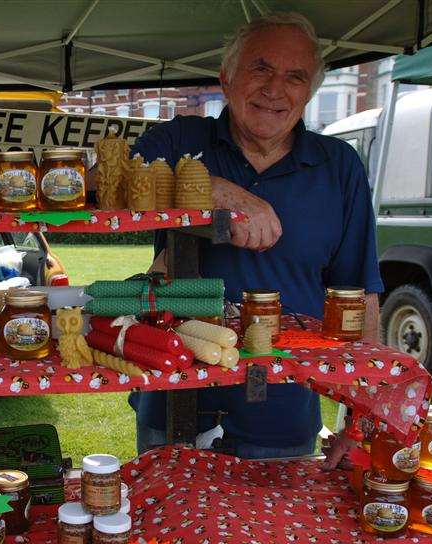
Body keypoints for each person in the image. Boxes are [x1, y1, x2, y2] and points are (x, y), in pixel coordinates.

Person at [128, 12, 383, 461]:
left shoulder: (339, 167)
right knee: (164, 530)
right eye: (260, 69)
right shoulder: (178, 139)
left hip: (282, 409)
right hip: (174, 396)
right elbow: (108, 182)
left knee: (282, 532)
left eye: (295, 77)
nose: (274, 89)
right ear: (226, 78)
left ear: (309, 93)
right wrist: (215, 190)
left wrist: (363, 416)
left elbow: (359, 298)